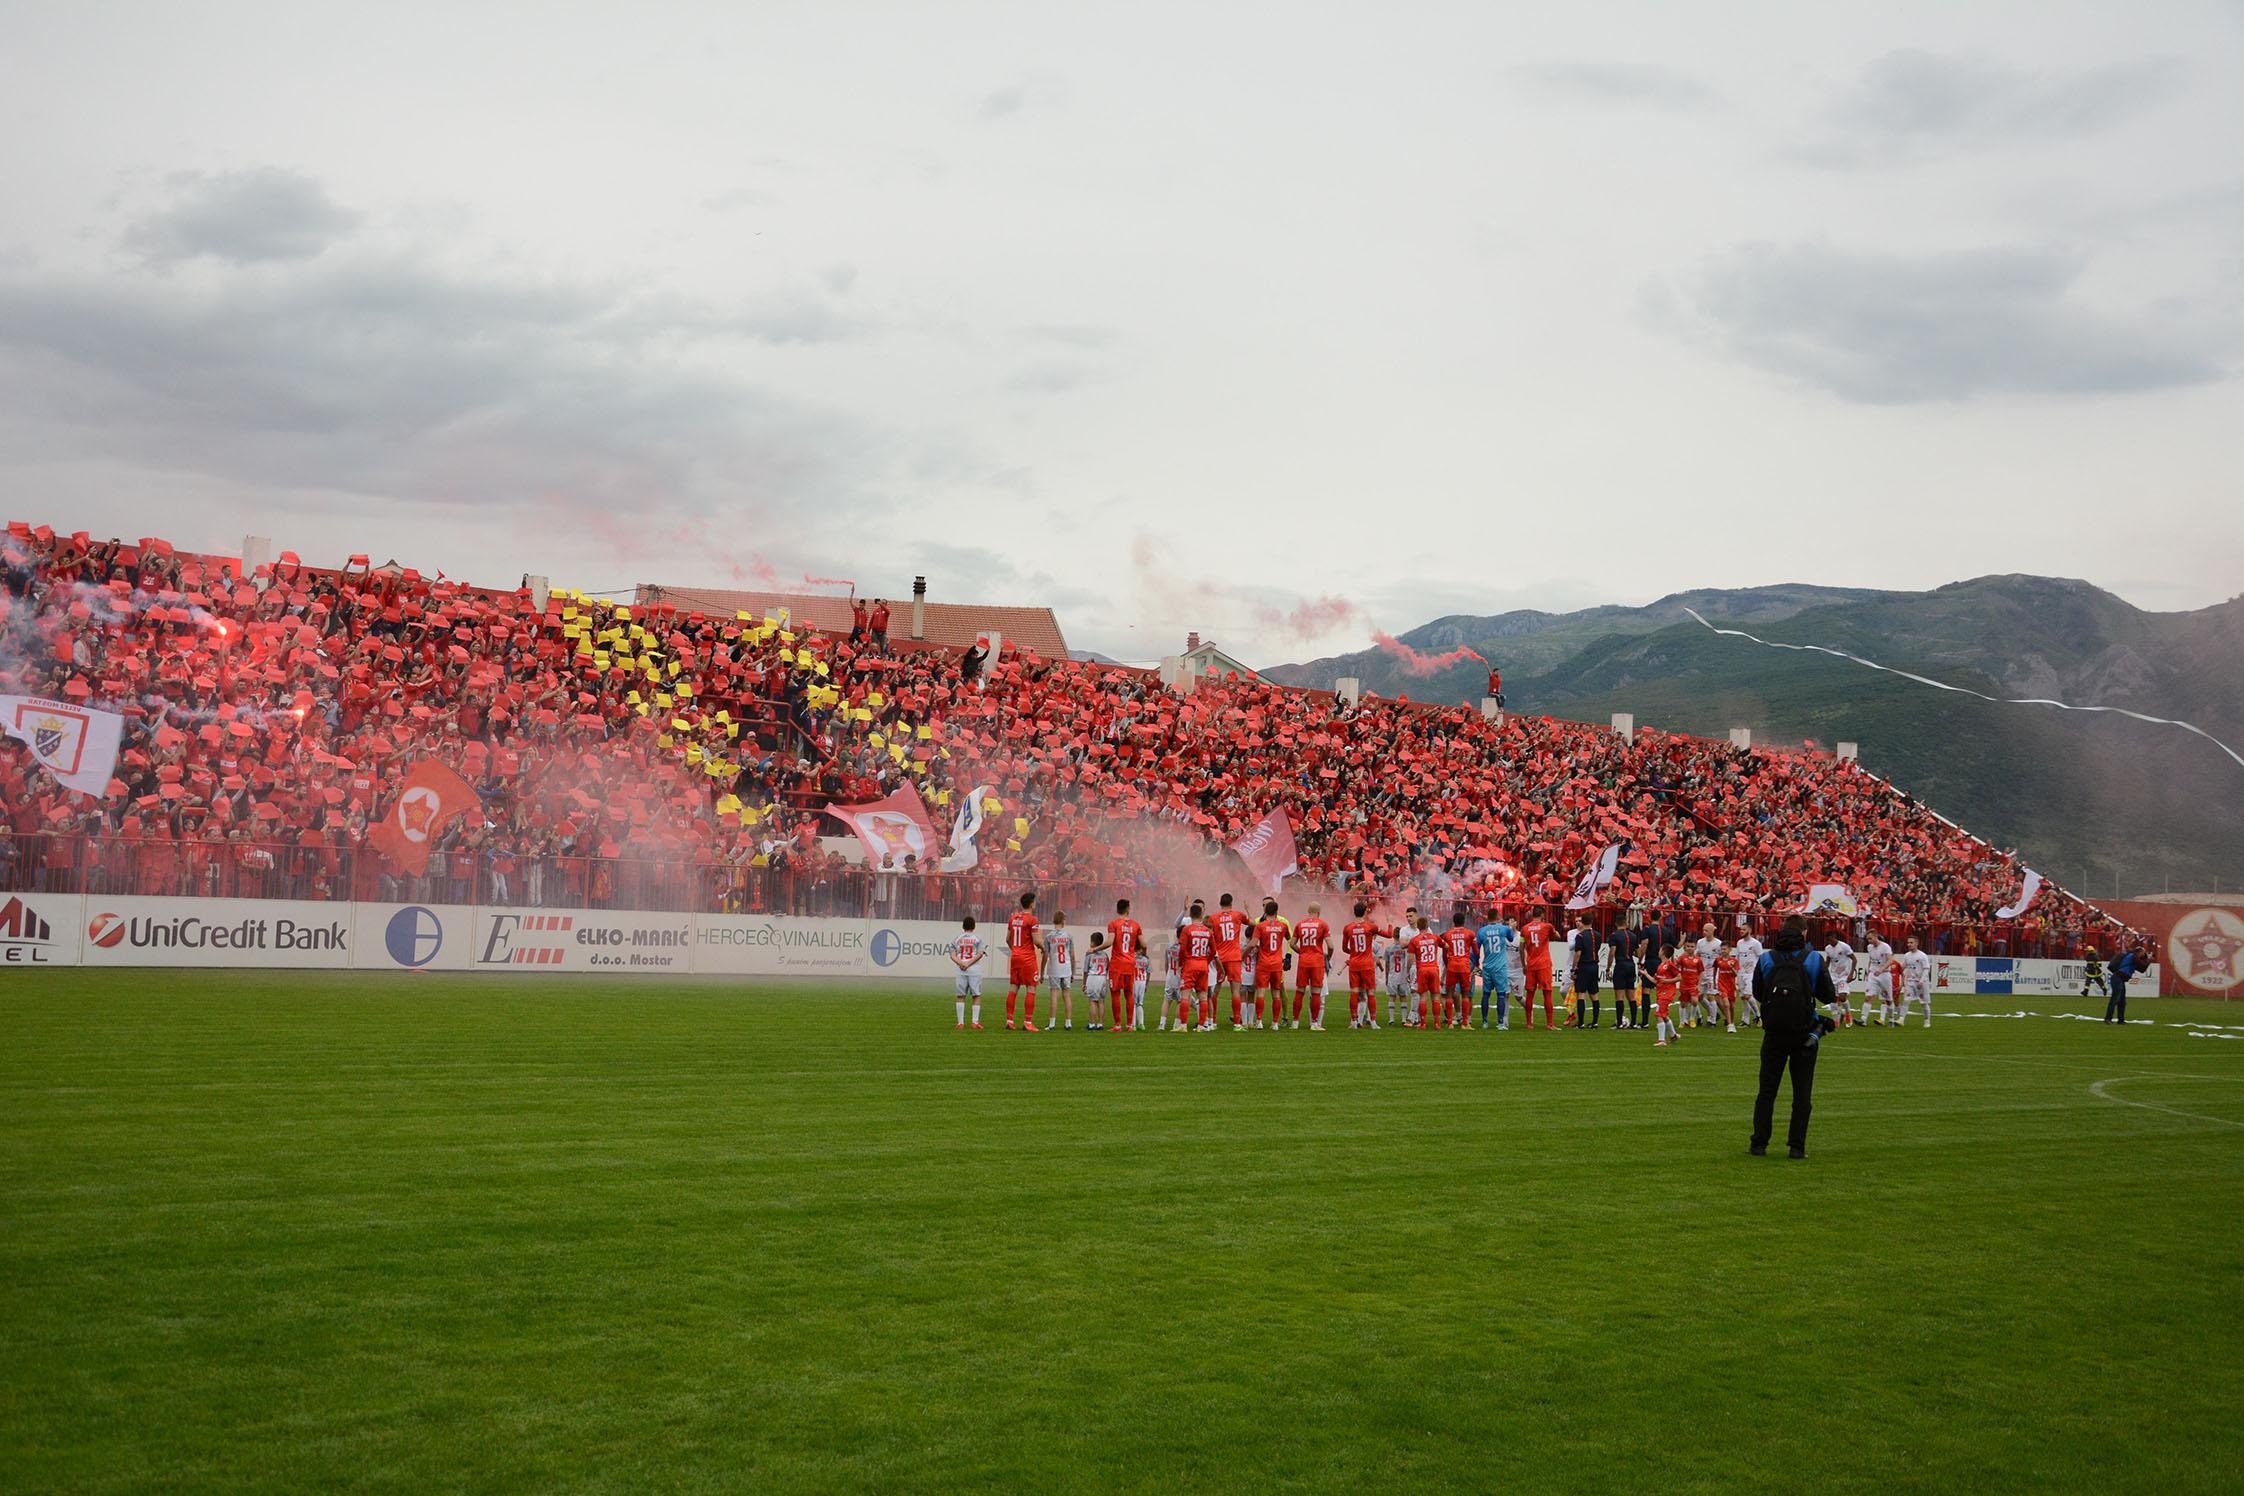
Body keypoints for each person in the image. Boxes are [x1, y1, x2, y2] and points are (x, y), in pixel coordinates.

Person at [1750, 914, 1838, 1159]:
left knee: (1767, 1090)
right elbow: (1828, 995)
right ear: (1804, 933)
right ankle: (1796, 1147)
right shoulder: (1812, 959)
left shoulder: (1767, 958)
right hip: (1804, 1033)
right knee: (1802, 1093)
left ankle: (1759, 1143)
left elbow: (1758, 991)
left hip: (1774, 1033)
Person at [1105, 898, 1147, 1034]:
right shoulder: (1136, 925)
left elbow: (1110, 942)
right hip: (1130, 964)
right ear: (1128, 909)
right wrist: (1139, 953)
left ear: (1118, 909)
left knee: (1115, 994)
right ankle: (1130, 1025)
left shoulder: (1113, 924)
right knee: (1129, 994)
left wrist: (1095, 949)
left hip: (1117, 964)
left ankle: (1117, 1025)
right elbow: (1144, 945)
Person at [1210, 893, 1250, 1030]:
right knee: (1236, 991)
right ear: (1231, 903)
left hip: (1220, 958)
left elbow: (1210, 935)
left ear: (1220, 903)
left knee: (1215, 991)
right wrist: (1247, 909)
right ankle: (1237, 1024)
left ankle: (1213, 1022)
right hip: (1234, 958)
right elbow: (1253, 923)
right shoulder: (1238, 915)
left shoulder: (1213, 918)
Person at [1342, 902, 1383, 1029]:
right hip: (1367, 964)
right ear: (1365, 912)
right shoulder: (1370, 927)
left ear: (1354, 912)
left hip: (1354, 963)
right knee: (1370, 992)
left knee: (1354, 992)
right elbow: (1389, 934)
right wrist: (1391, 922)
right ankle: (1373, 1022)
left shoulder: (1348, 928)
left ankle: (1354, 1022)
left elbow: (1344, 948)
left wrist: (1354, 953)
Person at [1005, 890, 1042, 1031]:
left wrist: (1015, 950)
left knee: (1014, 987)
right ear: (1032, 904)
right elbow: (1037, 940)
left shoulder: (1013, 918)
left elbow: (1007, 939)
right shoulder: (1033, 920)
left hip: (1015, 957)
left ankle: (1009, 1020)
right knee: (1031, 988)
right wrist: (1044, 947)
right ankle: (1028, 1022)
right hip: (1027, 958)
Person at [1518, 906, 1559, 1030]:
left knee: (1530, 994)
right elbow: (1557, 936)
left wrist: (1523, 964)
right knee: (1547, 993)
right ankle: (1550, 1023)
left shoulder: (1524, 929)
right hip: (1544, 965)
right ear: (1541, 914)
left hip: (1531, 964)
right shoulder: (1547, 926)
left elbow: (1521, 947)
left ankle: (1529, 1023)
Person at [1252, 898, 1290, 1029]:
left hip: (1263, 963)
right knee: (1276, 994)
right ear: (1277, 911)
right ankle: (1275, 1023)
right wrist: (1296, 952)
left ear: (1265, 910)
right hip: (1277, 964)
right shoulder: (1283, 926)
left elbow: (1253, 943)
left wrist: (1243, 953)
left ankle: (1259, 1021)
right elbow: (1291, 940)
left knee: (1261, 993)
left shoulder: (1260, 926)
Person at [1293, 902, 1332, 1030]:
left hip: (1303, 961)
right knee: (1316, 992)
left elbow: (1292, 943)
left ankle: (1295, 1022)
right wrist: (1328, 957)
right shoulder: (1322, 924)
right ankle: (1314, 1023)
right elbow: (1330, 945)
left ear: (1308, 911)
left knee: (1300, 991)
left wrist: (1302, 952)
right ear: (1319, 913)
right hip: (1316, 961)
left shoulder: (1300, 924)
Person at [1178, 901, 1215, 1031]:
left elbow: (1182, 949)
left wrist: (1182, 962)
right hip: (1203, 965)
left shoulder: (1187, 929)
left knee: (1185, 995)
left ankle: (1183, 1025)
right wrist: (1206, 960)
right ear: (1201, 914)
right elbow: (1214, 951)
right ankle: (1201, 1025)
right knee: (1203, 996)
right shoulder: (1208, 931)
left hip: (1190, 964)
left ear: (1190, 914)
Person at [1476, 908, 1514, 1030]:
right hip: (1500, 967)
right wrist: (1509, 925)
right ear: (1498, 916)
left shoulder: (1481, 931)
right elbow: (1511, 938)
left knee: (1486, 994)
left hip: (1487, 966)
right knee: (1501, 994)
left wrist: (1476, 964)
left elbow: (1476, 949)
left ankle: (1485, 1022)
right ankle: (1500, 1023)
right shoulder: (1504, 929)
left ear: (1487, 917)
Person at [1440, 910, 1478, 1030]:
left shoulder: (1447, 934)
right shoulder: (1470, 934)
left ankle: (1450, 1022)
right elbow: (1476, 952)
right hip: (1464, 966)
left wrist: (1447, 964)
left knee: (1449, 994)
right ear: (1464, 921)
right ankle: (1465, 1023)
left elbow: (1444, 953)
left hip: (1452, 966)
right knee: (1465, 994)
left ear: (1453, 922)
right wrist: (1476, 964)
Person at [1407, 914, 1443, 1027]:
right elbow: (1446, 946)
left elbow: (1410, 959)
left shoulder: (1414, 940)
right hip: (1433, 968)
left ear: (1418, 926)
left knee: (1423, 996)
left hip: (1422, 969)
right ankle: (1437, 1023)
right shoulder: (1435, 937)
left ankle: (1423, 1023)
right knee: (1436, 996)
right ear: (1428, 926)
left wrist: (1408, 971)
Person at [952, 915, 987, 1029]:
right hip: (974, 970)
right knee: (976, 995)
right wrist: (969, 963)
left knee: (960, 996)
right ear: (974, 926)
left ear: (963, 926)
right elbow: (980, 953)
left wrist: (961, 963)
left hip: (960, 969)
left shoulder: (957, 938)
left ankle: (960, 1023)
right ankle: (974, 1022)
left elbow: (952, 955)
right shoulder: (978, 938)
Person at [1044, 911, 1076, 1031]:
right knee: (1066, 995)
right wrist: (1073, 972)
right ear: (1063, 921)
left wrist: (1042, 971)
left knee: (1054, 995)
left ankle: (1052, 1024)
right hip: (1066, 968)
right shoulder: (1068, 936)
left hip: (1054, 969)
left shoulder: (1049, 936)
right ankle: (1068, 1023)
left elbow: (1045, 955)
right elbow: (1072, 956)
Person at [1568, 922, 1603, 1029]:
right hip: (1594, 966)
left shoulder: (1580, 936)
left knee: (1581, 994)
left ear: (1583, 922)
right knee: (1594, 995)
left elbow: (1578, 953)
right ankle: (1595, 1022)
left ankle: (1581, 1023)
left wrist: (1574, 968)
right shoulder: (1598, 935)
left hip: (1584, 966)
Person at [1895, 934, 1934, 1027]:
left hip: (1921, 983)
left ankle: (1927, 1021)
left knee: (1924, 1003)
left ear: (1917, 943)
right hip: (1910, 982)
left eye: (1911, 942)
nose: (1909, 944)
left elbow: (1926, 969)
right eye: (1908, 942)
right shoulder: (1907, 955)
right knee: (1906, 1000)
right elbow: (1902, 967)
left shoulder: (1922, 956)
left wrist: (1921, 980)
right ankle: (1901, 1019)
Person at [1605, 923, 1638, 1030]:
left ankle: (1619, 1023)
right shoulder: (1633, 936)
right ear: (1626, 924)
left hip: (1621, 965)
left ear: (1616, 924)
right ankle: (1634, 1023)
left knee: (1619, 996)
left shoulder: (1614, 935)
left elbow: (1612, 951)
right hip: (1631, 965)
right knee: (1631, 996)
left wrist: (1608, 967)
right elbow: (1638, 952)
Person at [1734, 926, 1766, 1027]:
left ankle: (1759, 1016)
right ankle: (1745, 1021)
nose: (1741, 931)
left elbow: (1761, 958)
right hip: (1741, 972)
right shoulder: (1739, 943)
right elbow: (1737, 958)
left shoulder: (1756, 943)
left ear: (1750, 930)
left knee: (1748, 996)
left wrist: (1759, 972)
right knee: (1743, 997)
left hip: (1751, 973)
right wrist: (1736, 972)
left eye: (1744, 929)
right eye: (1741, 929)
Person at [2106, 945, 2147, 1023]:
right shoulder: (2133, 957)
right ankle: (2108, 1018)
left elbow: (2142, 969)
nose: (2143, 955)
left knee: (2122, 1001)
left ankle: (2120, 1020)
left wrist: (2146, 960)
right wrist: (2148, 959)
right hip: (2118, 978)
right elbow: (2143, 965)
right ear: (2139, 952)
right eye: (2143, 953)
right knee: (2115, 999)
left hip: (2119, 979)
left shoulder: (2132, 958)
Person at [1863, 931, 1896, 1027]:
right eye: (1867, 939)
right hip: (1873, 974)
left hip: (1885, 975)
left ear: (1876, 936)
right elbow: (1871, 960)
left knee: (1888, 999)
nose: (1869, 941)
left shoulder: (1885, 947)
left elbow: (1891, 960)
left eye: (1870, 938)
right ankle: (1863, 1019)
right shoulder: (1869, 947)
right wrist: (1869, 971)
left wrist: (1882, 969)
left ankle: (1891, 1019)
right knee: (1868, 996)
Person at [1824, 933, 1857, 1027]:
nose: (1829, 942)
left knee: (1842, 997)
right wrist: (1824, 972)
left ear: (1835, 938)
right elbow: (1828, 961)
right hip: (1833, 976)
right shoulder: (1828, 948)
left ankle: (1848, 1014)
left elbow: (1854, 959)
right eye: (1827, 940)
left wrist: (1851, 974)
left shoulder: (1844, 946)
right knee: (1833, 998)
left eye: (1830, 939)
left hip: (1844, 975)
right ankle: (1836, 1021)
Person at [1652, 942, 1681, 1047]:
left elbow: (1679, 977)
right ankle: (1673, 1035)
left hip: (1667, 993)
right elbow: (1657, 981)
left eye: (1660, 949)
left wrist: (1667, 981)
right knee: (1664, 1015)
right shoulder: (1660, 965)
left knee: (1659, 1014)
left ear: (1663, 952)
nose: (1658, 951)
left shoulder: (1669, 964)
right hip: (1660, 992)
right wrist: (1645, 974)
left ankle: (1661, 1040)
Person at [1083, 932, 1111, 1031]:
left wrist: (1084, 984)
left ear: (1093, 942)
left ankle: (1091, 1024)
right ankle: (1100, 1024)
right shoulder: (1105, 955)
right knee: (1101, 1001)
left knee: (1092, 1001)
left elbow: (1085, 971)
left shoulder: (1089, 954)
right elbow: (1108, 968)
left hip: (1093, 977)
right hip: (1103, 977)